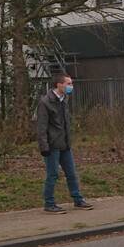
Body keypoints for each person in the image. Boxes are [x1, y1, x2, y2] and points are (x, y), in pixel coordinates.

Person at [36, 73, 94, 214]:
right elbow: (41, 127)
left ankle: (78, 200)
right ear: (59, 84)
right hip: (52, 145)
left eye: (71, 84)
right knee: (53, 174)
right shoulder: (45, 102)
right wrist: (44, 146)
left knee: (71, 173)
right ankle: (49, 203)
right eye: (68, 84)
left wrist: (69, 141)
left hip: (65, 144)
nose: (71, 87)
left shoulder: (64, 100)